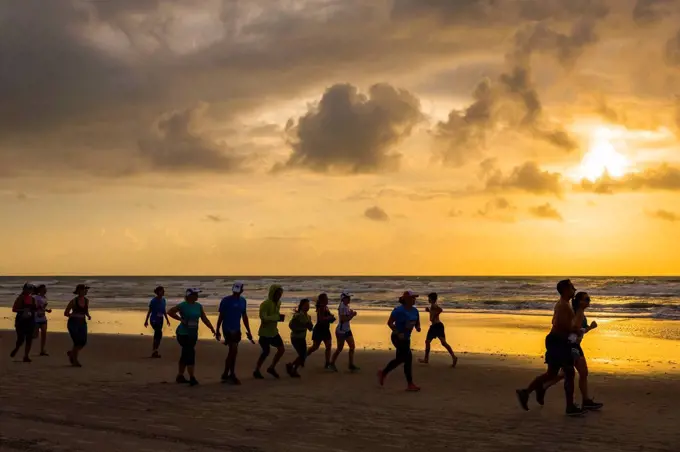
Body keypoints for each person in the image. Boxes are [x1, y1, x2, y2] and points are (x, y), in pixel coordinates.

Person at [516, 279, 586, 416]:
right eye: (572, 287)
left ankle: (526, 392)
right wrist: (575, 331)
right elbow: (561, 324)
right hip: (558, 342)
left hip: (556, 341)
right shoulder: (563, 306)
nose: (574, 289)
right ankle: (570, 407)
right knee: (569, 372)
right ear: (566, 290)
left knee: (552, 373)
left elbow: (554, 321)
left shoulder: (563, 305)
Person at [542, 292, 603, 410]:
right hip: (571, 346)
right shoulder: (575, 313)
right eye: (586, 299)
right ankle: (544, 388)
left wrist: (588, 328)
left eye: (589, 299)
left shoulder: (580, 313)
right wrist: (590, 328)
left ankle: (585, 401)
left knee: (579, 373)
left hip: (575, 346)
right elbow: (574, 329)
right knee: (568, 373)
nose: (588, 301)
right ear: (579, 301)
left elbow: (579, 330)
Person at [167, 288, 216, 386]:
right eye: (195, 294)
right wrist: (181, 320)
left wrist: (211, 328)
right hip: (183, 333)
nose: (197, 296)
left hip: (193, 333)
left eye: (197, 294)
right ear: (189, 296)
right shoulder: (183, 305)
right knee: (190, 353)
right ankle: (192, 377)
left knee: (185, 353)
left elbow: (204, 318)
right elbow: (170, 312)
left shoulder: (198, 306)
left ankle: (180, 375)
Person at [377, 291, 421, 391]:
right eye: (412, 298)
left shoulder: (415, 311)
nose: (414, 300)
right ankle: (410, 384)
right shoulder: (398, 311)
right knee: (407, 358)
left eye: (414, 298)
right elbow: (390, 323)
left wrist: (418, 328)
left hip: (406, 338)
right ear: (406, 299)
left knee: (401, 359)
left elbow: (417, 323)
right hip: (397, 337)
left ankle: (383, 373)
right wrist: (397, 332)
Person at [216, 282, 254, 385]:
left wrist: (249, 331)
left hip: (237, 328)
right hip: (227, 328)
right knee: (233, 349)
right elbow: (221, 316)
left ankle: (225, 373)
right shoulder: (226, 300)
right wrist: (217, 330)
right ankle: (231, 374)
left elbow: (244, 316)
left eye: (239, 290)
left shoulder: (243, 301)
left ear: (242, 290)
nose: (237, 292)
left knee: (233, 352)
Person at [254, 284, 286, 379]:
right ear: (272, 293)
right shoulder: (265, 304)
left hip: (274, 332)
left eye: (280, 294)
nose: (279, 296)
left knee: (281, 350)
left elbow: (274, 314)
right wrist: (276, 317)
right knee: (266, 352)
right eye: (277, 294)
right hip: (264, 333)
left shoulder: (279, 303)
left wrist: (279, 317)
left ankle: (272, 367)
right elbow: (263, 318)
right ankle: (256, 370)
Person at [419, 292, 458, 367]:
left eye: (429, 298)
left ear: (432, 299)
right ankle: (453, 357)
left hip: (436, 326)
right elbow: (434, 312)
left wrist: (434, 316)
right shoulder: (432, 306)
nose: (428, 300)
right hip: (436, 326)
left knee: (430, 342)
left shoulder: (434, 305)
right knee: (439, 342)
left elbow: (440, 310)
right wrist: (429, 311)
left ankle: (426, 359)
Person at [328, 291, 359, 372]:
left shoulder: (346, 306)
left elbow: (347, 317)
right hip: (341, 331)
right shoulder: (342, 307)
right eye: (347, 298)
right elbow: (343, 319)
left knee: (352, 347)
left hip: (347, 330)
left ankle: (351, 364)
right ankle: (331, 363)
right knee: (339, 349)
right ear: (343, 299)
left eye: (349, 298)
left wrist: (351, 313)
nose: (349, 299)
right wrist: (352, 315)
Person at [306, 293, 336, 370]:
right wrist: (329, 318)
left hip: (325, 329)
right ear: (322, 300)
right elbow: (322, 319)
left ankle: (327, 363)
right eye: (326, 299)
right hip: (319, 329)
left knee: (328, 346)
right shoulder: (321, 308)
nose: (327, 300)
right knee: (315, 347)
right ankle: (303, 356)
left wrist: (331, 317)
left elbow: (327, 317)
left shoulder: (326, 307)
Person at [64, 284, 92, 367]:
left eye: (86, 290)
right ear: (79, 291)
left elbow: (86, 310)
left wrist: (88, 315)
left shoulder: (87, 300)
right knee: (77, 342)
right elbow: (66, 313)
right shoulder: (73, 301)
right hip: (73, 323)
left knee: (83, 342)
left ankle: (72, 353)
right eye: (84, 290)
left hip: (82, 322)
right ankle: (75, 361)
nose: (85, 291)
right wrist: (72, 315)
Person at [286, 298, 313, 378]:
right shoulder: (298, 315)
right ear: (301, 306)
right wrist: (299, 327)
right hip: (295, 337)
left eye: (308, 305)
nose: (307, 307)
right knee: (302, 355)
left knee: (303, 355)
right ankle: (293, 369)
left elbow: (310, 328)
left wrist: (309, 325)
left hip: (302, 338)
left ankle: (291, 366)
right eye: (305, 305)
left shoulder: (308, 316)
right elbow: (291, 325)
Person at [10, 283, 36, 362]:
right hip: (21, 320)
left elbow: (35, 309)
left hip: (30, 320)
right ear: (24, 289)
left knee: (29, 338)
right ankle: (16, 348)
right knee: (21, 338)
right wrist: (23, 310)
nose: (29, 291)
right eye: (28, 289)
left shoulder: (32, 299)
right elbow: (14, 309)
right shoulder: (20, 298)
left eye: (31, 289)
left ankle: (26, 356)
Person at [144, 286, 170, 358]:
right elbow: (149, 311)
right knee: (158, 333)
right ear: (158, 292)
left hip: (160, 319)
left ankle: (155, 351)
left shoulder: (163, 300)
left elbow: (164, 310)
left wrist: (167, 320)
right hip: (154, 319)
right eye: (162, 291)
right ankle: (154, 351)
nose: (163, 292)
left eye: (163, 291)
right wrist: (146, 321)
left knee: (158, 335)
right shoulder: (153, 301)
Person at [33, 284, 51, 356]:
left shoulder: (45, 298)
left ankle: (42, 350)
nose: (45, 290)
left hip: (43, 318)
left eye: (45, 289)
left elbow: (43, 307)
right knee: (35, 335)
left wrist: (47, 310)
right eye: (44, 289)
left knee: (44, 333)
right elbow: (34, 307)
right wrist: (38, 308)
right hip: (36, 318)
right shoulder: (36, 297)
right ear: (40, 290)